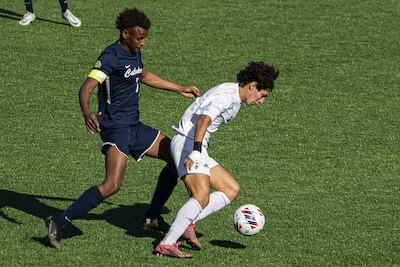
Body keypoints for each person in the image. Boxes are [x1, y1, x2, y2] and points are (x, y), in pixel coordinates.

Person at [45, 8, 200, 249]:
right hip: (115, 129)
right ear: (125, 33)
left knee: (176, 156)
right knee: (112, 185)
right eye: (139, 38)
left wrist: (179, 88)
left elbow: (144, 75)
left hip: (135, 127)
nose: (143, 42)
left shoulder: (134, 52)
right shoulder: (110, 57)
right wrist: (87, 112)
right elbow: (86, 87)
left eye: (145, 37)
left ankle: (152, 216)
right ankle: (59, 220)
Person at [155, 61, 279, 258]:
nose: (261, 101)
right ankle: (167, 244)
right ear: (253, 85)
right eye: (262, 95)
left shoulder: (235, 97)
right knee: (201, 196)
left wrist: (201, 145)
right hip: (188, 143)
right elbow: (203, 120)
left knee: (231, 189)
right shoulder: (227, 96)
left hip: (196, 144)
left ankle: (188, 222)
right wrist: (196, 151)